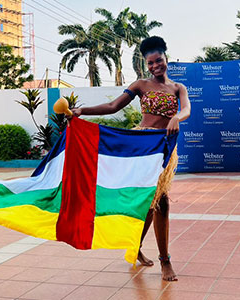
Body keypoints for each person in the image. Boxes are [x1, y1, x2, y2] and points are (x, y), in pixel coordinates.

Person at [69, 36, 191, 281]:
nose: (156, 66)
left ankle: (138, 249)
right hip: (142, 146)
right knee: (158, 201)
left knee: (157, 201)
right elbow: (114, 106)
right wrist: (83, 111)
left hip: (164, 147)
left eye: (160, 61)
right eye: (151, 63)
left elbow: (187, 108)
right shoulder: (140, 85)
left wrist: (178, 117)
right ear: (146, 65)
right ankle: (164, 260)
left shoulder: (178, 88)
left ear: (166, 59)